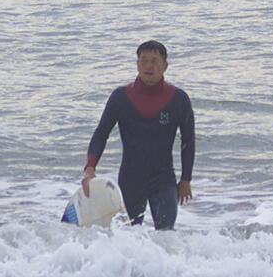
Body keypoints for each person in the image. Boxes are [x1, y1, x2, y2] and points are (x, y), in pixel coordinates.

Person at [82, 39, 196, 227]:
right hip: (130, 179)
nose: (149, 66)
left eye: (154, 61)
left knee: (166, 234)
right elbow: (101, 133)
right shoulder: (121, 97)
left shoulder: (178, 99)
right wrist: (90, 168)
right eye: (144, 60)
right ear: (137, 64)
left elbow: (188, 141)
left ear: (165, 66)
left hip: (164, 179)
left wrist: (186, 180)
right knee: (128, 235)